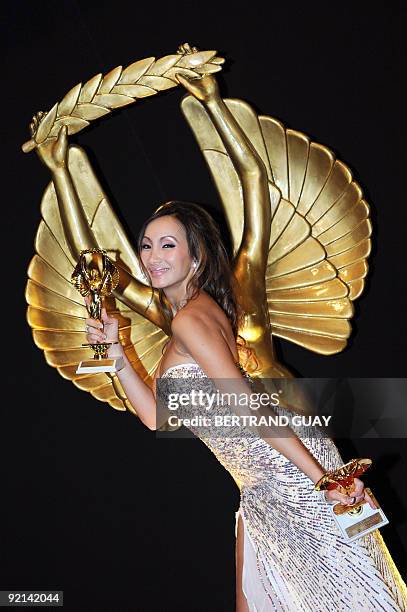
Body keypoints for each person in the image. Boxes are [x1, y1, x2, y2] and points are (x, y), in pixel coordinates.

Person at [36, 73, 406, 610]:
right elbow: (157, 417)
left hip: (288, 475)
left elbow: (249, 405)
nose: (151, 256)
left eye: (168, 244)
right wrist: (116, 352)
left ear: (196, 256)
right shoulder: (187, 320)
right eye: (145, 245)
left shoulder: (193, 320)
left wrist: (325, 478)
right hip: (259, 484)